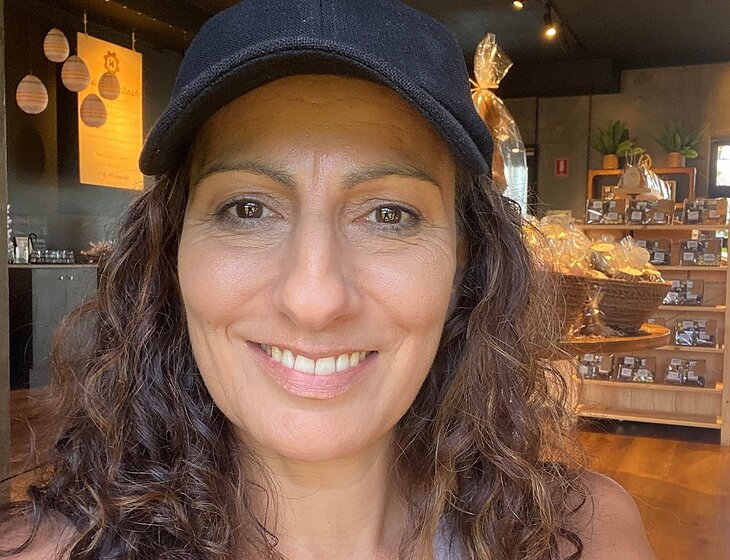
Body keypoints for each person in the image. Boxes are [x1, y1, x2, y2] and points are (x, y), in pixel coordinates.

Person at [1, 1, 655, 558]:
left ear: (468, 262)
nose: (313, 299)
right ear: (170, 254)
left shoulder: (586, 538)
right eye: (247, 209)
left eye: (390, 214)